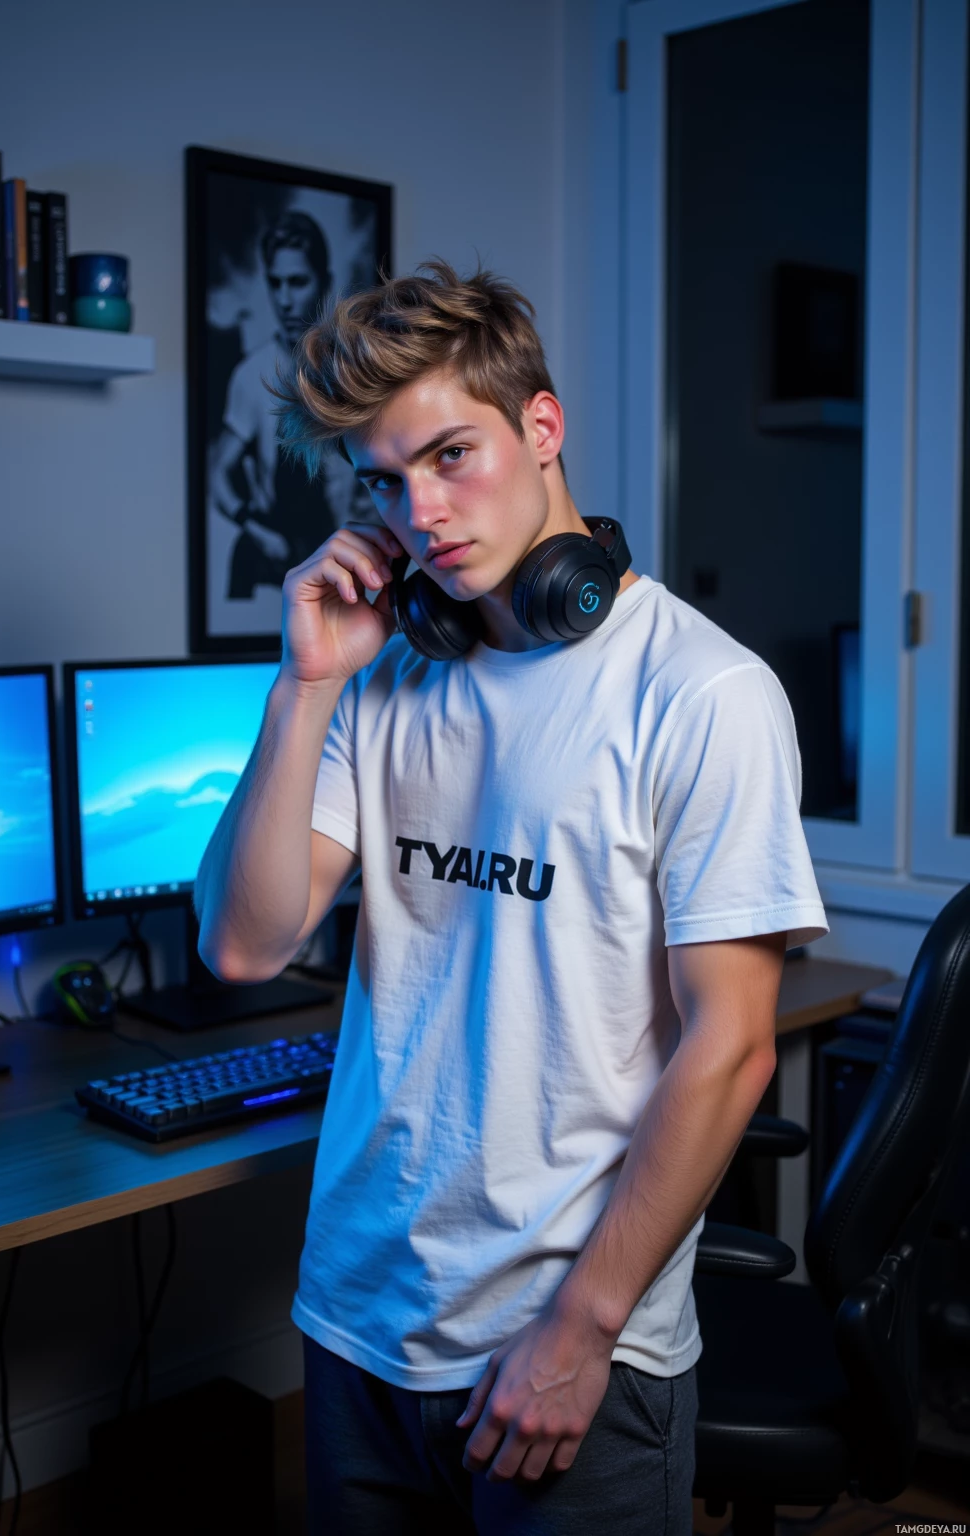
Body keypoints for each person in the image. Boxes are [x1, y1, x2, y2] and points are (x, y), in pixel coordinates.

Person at [193, 261, 828, 1534]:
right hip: (358, 1322)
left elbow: (733, 1044)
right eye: (385, 480)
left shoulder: (701, 694)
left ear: (541, 427)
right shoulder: (382, 682)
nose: (419, 512)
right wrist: (302, 683)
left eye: (450, 456)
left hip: (568, 1351)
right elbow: (245, 944)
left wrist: (581, 1329)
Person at [208, 211, 342, 599]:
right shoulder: (251, 374)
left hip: (340, 549)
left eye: (297, 283)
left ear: (324, 282)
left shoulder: (354, 371)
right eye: (275, 283)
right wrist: (257, 531)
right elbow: (219, 474)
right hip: (273, 548)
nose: (284, 300)